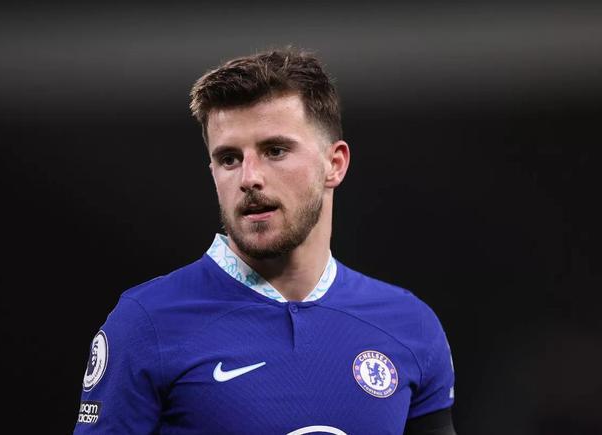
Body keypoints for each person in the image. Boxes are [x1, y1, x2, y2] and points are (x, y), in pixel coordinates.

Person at [74, 48, 457, 435]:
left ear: (334, 164)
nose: (249, 178)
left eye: (275, 151)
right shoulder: (146, 323)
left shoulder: (410, 325)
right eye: (229, 158)